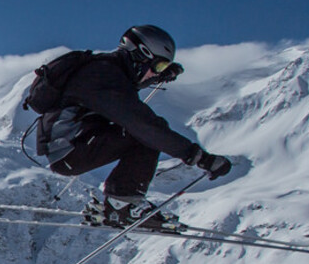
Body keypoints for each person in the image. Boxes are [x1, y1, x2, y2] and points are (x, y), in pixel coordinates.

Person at [40, 25, 233, 231]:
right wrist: (198, 157)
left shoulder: (107, 71)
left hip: (70, 146)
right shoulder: (104, 76)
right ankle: (122, 203)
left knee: (145, 132)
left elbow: (119, 92)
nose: (154, 73)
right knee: (146, 134)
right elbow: (144, 125)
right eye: (157, 66)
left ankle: (119, 203)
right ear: (141, 55)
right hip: (70, 151)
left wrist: (159, 75)